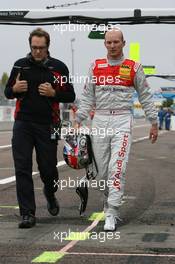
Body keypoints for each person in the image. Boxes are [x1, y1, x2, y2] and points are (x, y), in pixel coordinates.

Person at [75, 28, 158, 231]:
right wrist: (79, 119)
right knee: (101, 172)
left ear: (123, 43)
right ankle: (108, 199)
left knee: (117, 169)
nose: (112, 46)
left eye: (116, 42)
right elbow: (87, 97)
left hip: (122, 120)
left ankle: (112, 211)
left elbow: (146, 96)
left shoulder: (133, 67)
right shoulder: (96, 66)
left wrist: (154, 122)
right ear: (105, 44)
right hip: (100, 120)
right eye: (109, 42)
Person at [4, 28, 75, 228]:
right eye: (34, 48)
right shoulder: (20, 65)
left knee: (48, 169)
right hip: (23, 124)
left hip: (48, 124)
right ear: (30, 46)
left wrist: (54, 93)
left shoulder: (58, 67)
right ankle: (27, 213)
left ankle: (50, 193)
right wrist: (14, 90)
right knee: (22, 168)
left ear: (47, 47)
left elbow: (70, 95)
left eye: (41, 48)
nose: (37, 52)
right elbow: (8, 91)